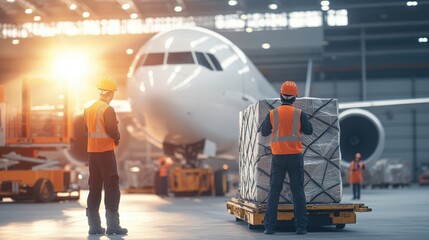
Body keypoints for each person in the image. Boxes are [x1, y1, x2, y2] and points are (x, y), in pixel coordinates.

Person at [261, 80, 313, 235]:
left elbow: (264, 132)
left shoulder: (272, 114)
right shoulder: (299, 113)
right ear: (295, 98)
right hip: (295, 157)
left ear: (280, 96)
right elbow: (309, 131)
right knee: (297, 191)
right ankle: (301, 228)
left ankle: (269, 227)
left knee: (274, 191)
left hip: (278, 158)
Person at [84, 77, 128, 235]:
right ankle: (113, 226)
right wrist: (116, 139)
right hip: (106, 153)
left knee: (94, 188)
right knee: (112, 187)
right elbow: (112, 130)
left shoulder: (88, 108)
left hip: (92, 153)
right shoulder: (107, 109)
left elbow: (86, 129)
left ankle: (94, 226)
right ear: (111, 93)